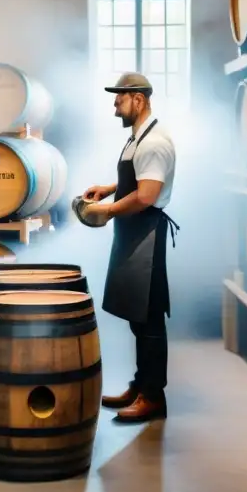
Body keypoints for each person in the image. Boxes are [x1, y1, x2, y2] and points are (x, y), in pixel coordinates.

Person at [81, 72, 177, 423]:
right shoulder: (139, 138)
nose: (114, 105)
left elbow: (147, 195)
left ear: (138, 99)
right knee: (139, 318)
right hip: (134, 233)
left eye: (119, 98)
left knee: (149, 318)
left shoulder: (154, 141)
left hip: (146, 235)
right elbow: (136, 180)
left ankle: (153, 397)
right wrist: (108, 189)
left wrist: (106, 212)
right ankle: (141, 386)